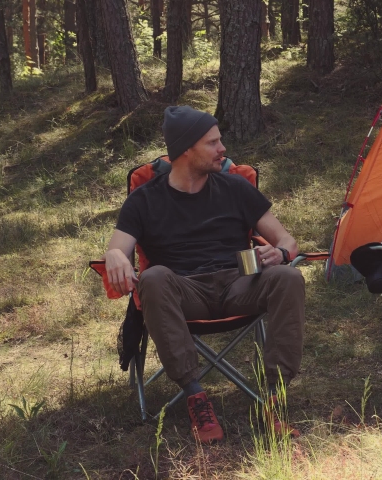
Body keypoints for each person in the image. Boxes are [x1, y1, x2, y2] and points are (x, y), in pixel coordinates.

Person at [103, 106, 305, 444]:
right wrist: (114, 256)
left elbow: (287, 240)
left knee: (288, 277)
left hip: (238, 284)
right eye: (212, 143)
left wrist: (281, 253)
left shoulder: (235, 188)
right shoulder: (144, 201)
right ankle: (195, 397)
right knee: (153, 278)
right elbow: (117, 248)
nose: (223, 150)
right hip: (183, 295)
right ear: (185, 150)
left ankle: (275, 398)